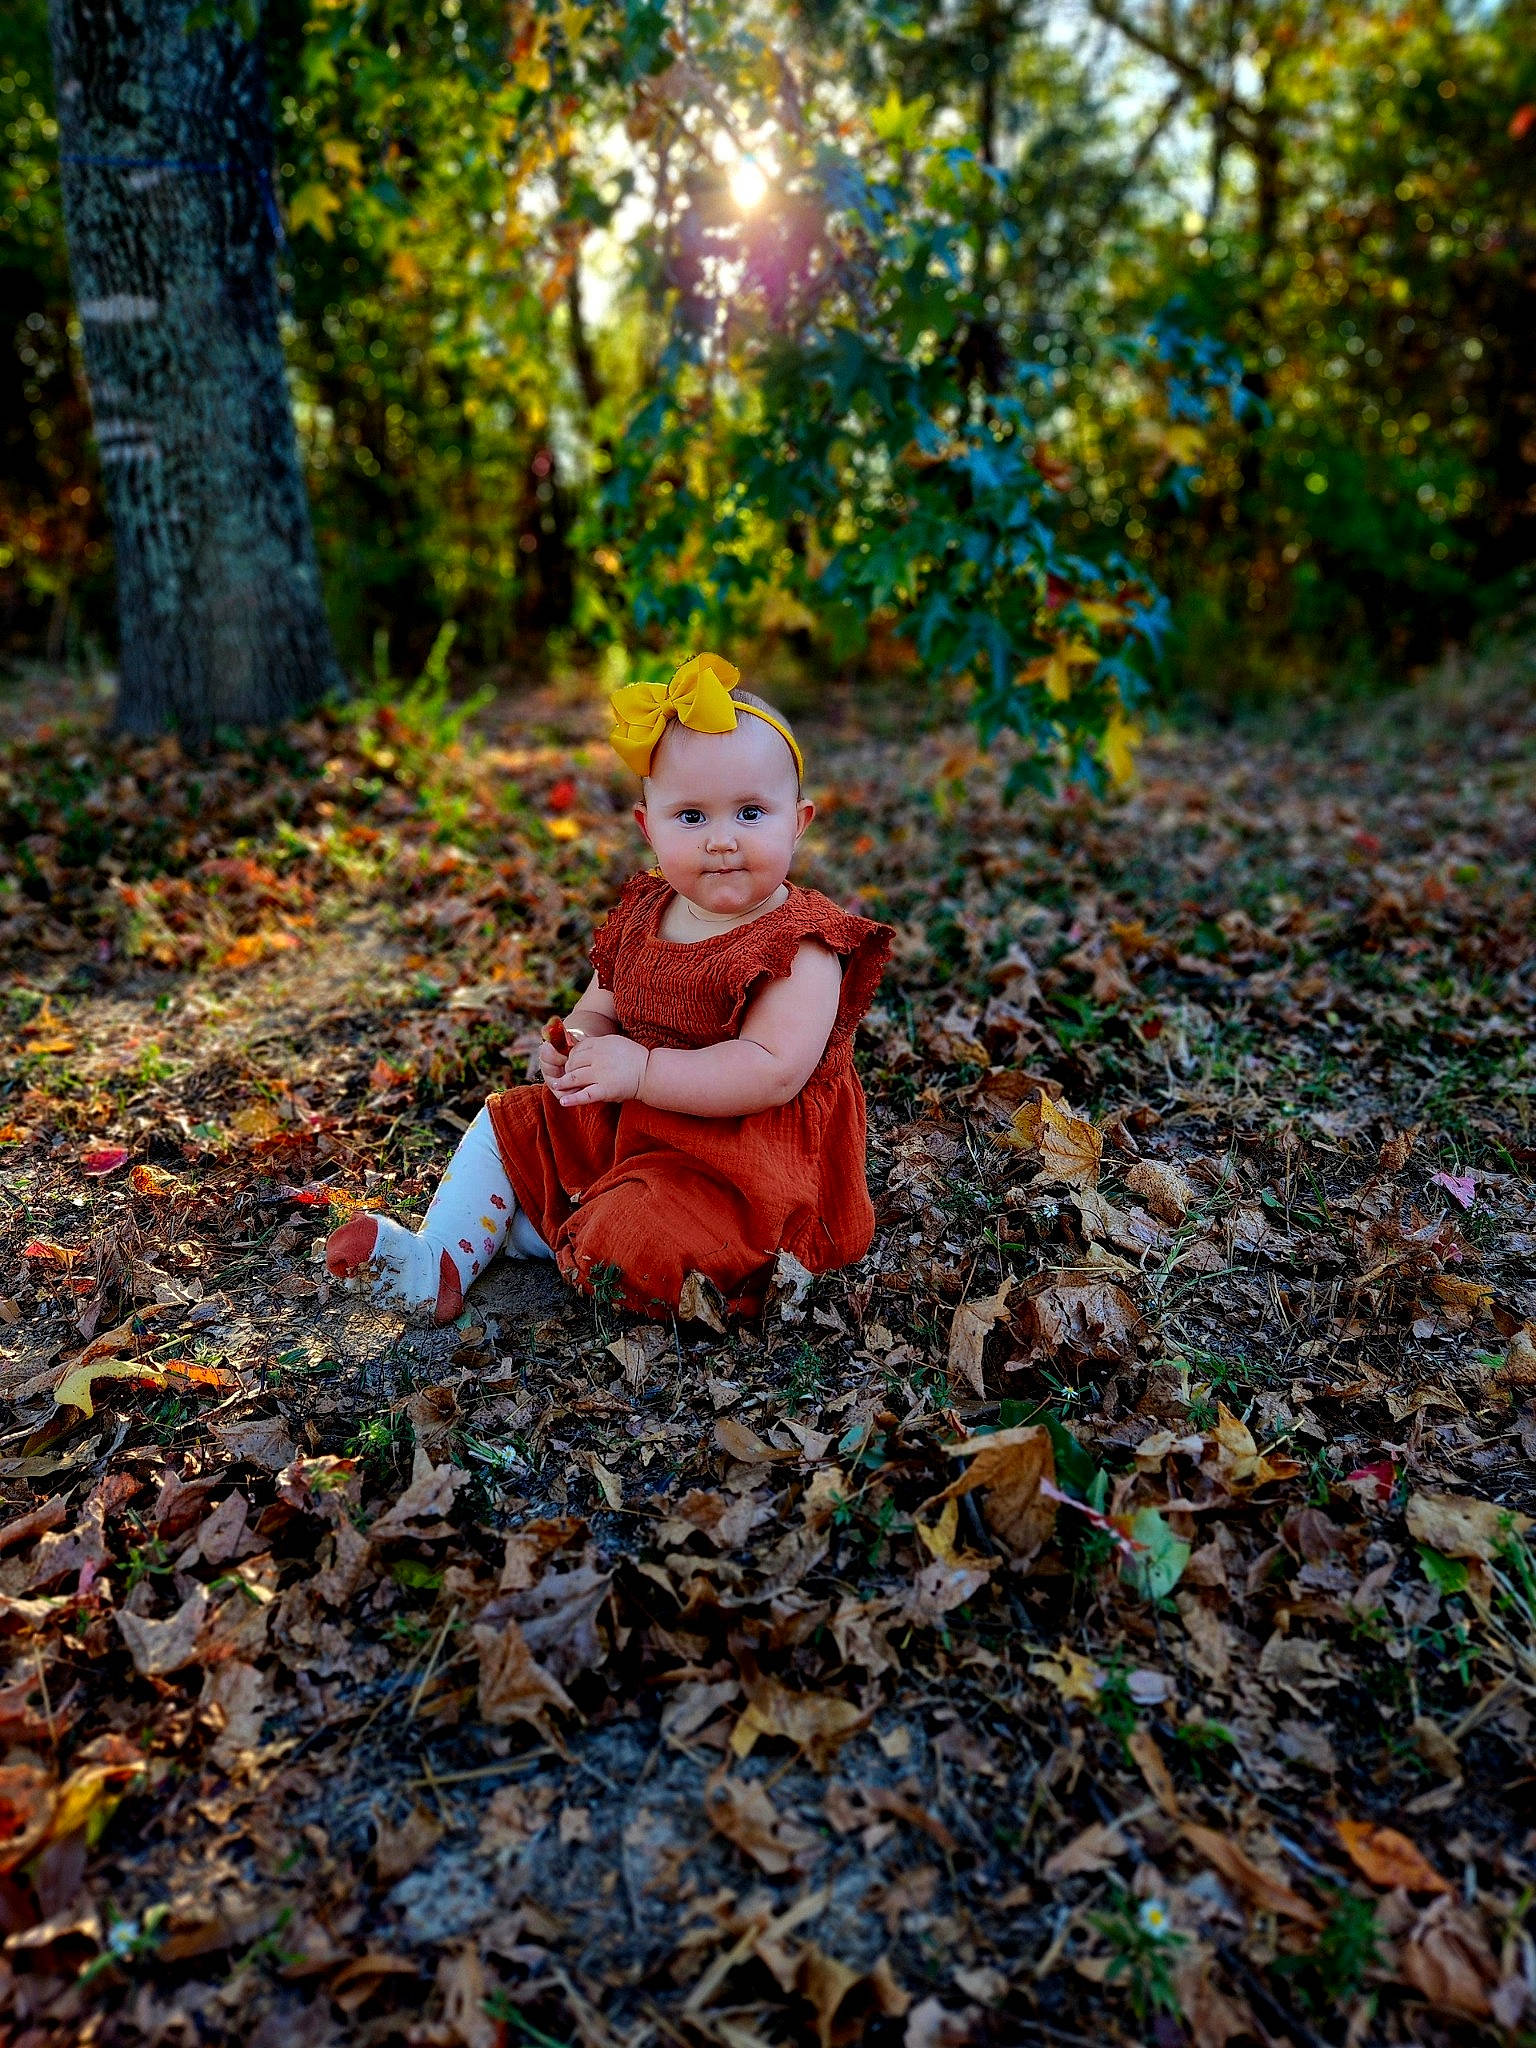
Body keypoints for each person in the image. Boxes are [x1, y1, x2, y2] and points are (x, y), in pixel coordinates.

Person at [326, 652, 892, 1321]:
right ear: (648, 827)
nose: (720, 841)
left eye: (749, 813)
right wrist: (579, 1043)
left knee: (637, 1239)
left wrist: (643, 1069)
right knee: (510, 1122)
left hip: (739, 1170)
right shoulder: (646, 913)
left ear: (797, 822)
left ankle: (531, 1231)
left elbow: (770, 1072)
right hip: (634, 1122)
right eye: (691, 817)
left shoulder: (802, 943)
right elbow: (600, 1004)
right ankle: (438, 1257)